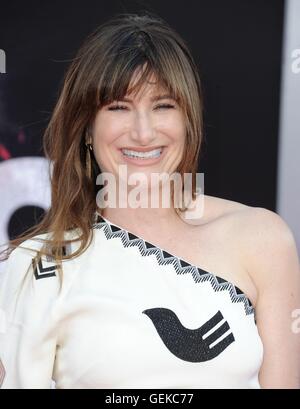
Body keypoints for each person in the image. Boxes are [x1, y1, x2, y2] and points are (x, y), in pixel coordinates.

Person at [0, 12, 299, 390]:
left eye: (163, 106)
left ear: (188, 118)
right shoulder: (42, 264)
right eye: (119, 107)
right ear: (87, 127)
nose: (143, 133)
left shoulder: (262, 238)